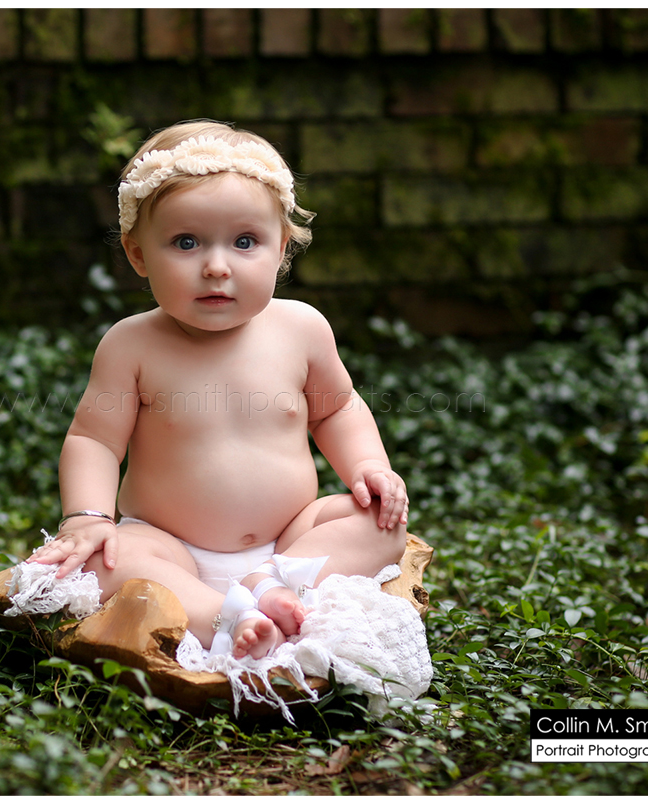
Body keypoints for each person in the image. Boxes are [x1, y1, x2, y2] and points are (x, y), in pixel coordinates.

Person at [27, 120, 409, 660]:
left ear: (281, 250)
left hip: (289, 538)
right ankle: (226, 617)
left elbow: (337, 410)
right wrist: (86, 517)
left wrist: (369, 467)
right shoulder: (131, 345)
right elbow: (94, 440)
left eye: (245, 242)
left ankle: (270, 585)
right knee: (105, 560)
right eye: (186, 242)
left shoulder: (301, 329)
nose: (216, 266)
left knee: (379, 523)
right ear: (139, 255)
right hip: (167, 542)